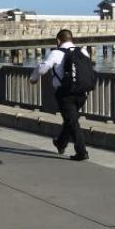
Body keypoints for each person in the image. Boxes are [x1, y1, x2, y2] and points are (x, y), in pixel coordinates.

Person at [29, 29, 90, 161]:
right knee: (71, 120)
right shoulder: (83, 51)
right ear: (72, 39)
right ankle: (61, 143)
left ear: (58, 40)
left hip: (65, 94)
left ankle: (81, 152)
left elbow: (43, 68)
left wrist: (34, 78)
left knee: (72, 122)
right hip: (82, 92)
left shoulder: (56, 53)